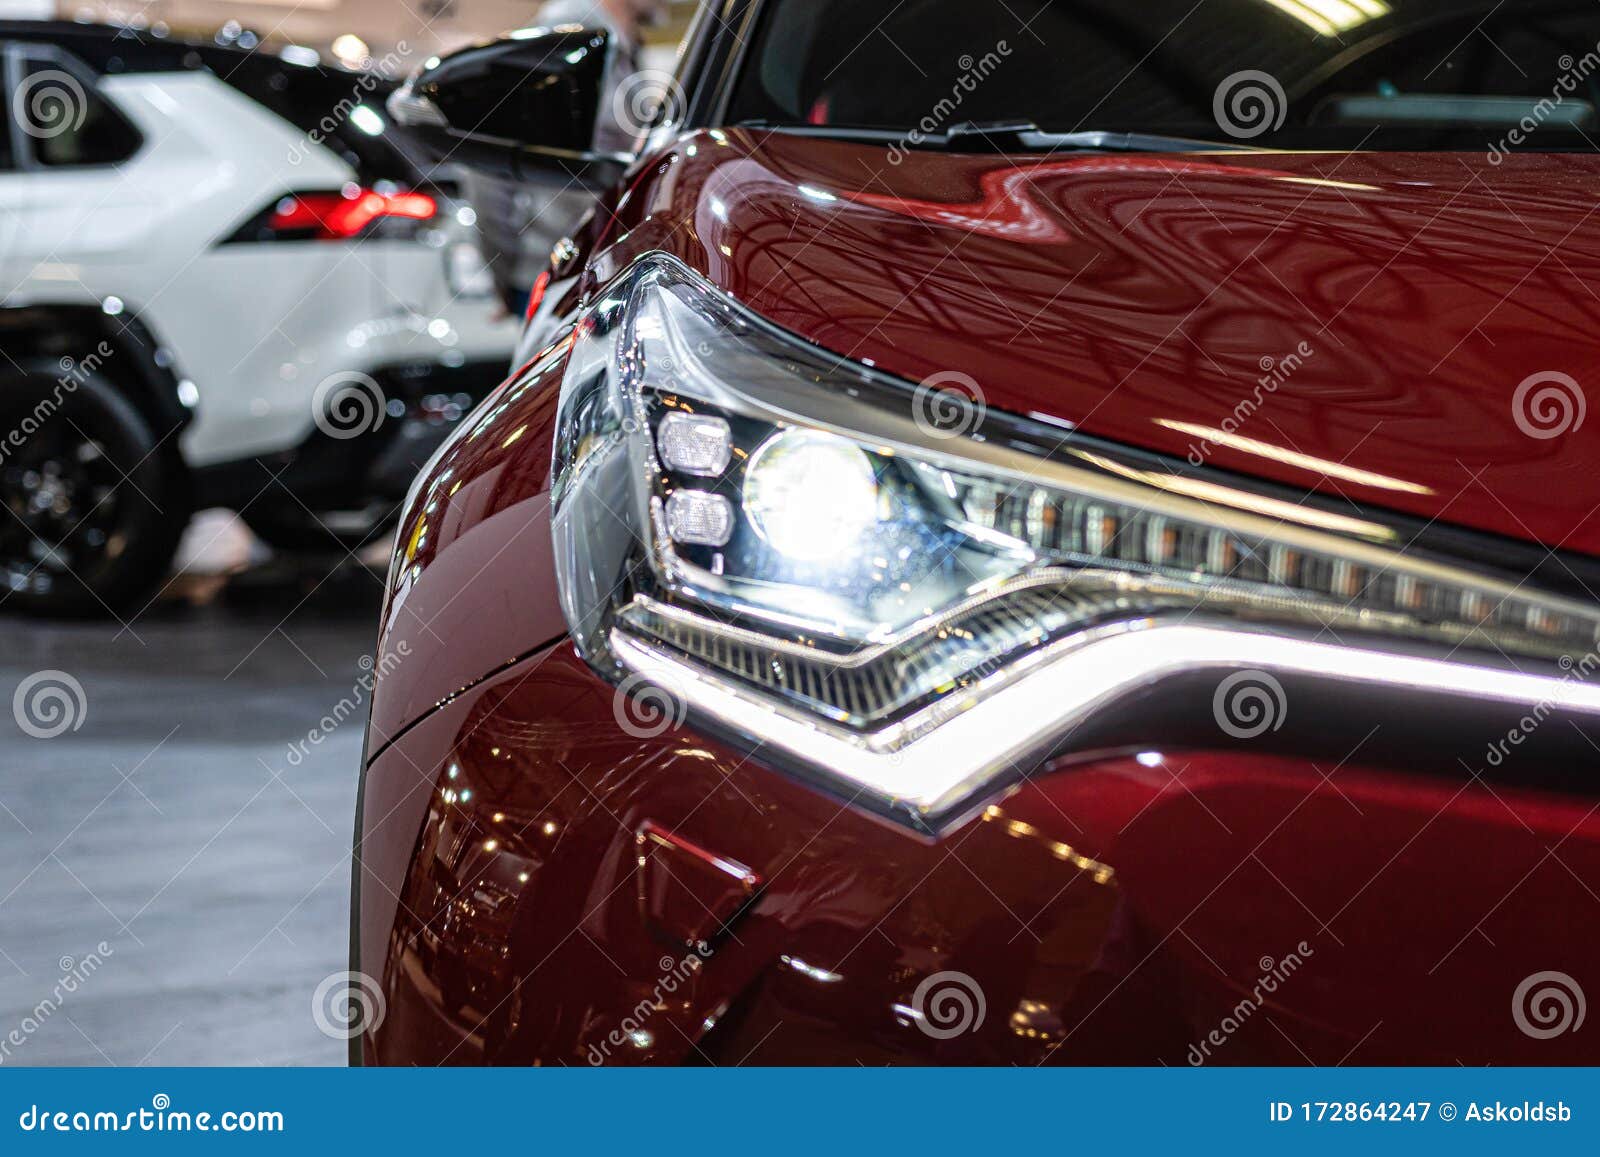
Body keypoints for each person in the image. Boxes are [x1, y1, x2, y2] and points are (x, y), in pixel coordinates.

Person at [468, 0, 671, 317]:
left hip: (608, 268)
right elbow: (489, 165)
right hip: (556, 276)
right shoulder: (560, 38)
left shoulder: (624, 44)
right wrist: (506, 277)